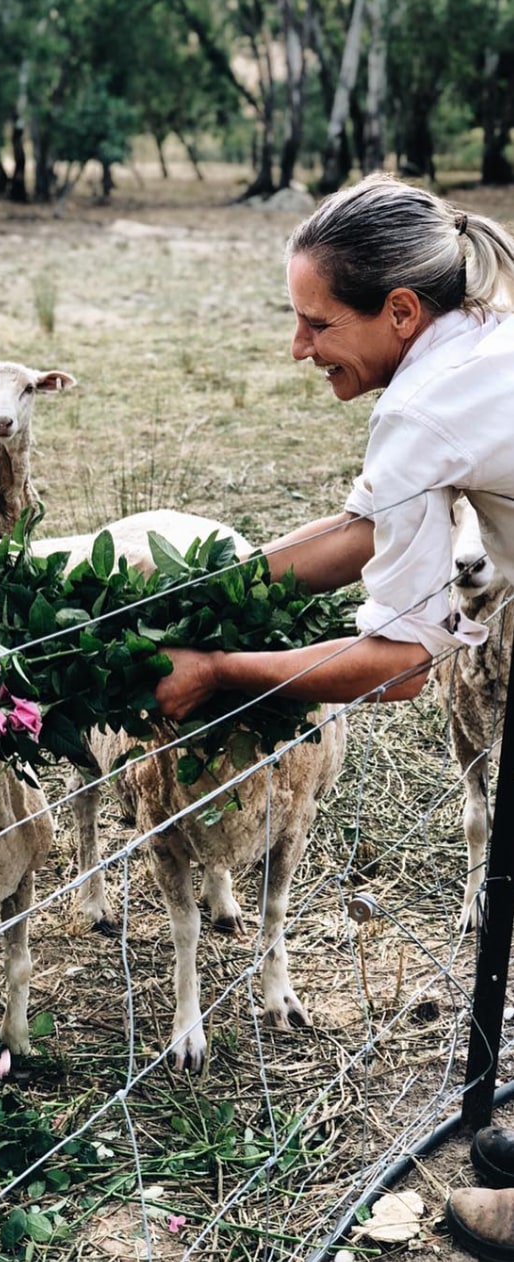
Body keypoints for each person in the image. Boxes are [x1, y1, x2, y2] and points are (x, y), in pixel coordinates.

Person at [153, 171, 514, 1259]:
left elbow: (400, 666)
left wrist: (220, 668)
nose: (297, 349)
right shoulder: (476, 337)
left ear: (398, 310)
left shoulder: (420, 406)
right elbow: (364, 532)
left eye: (317, 324)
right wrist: (201, 589)